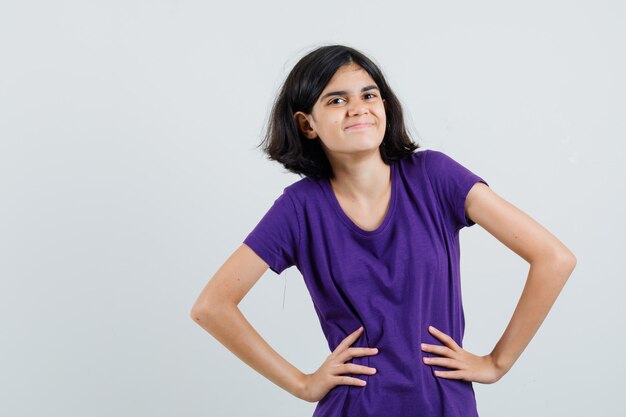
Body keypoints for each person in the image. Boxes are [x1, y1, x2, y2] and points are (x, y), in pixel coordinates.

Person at [190, 44, 577, 416]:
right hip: (353, 407)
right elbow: (212, 307)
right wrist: (303, 384)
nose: (358, 109)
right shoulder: (299, 208)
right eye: (336, 100)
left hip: (444, 405)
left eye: (369, 95)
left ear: (384, 106)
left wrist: (497, 363)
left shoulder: (435, 177)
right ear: (307, 124)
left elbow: (554, 258)